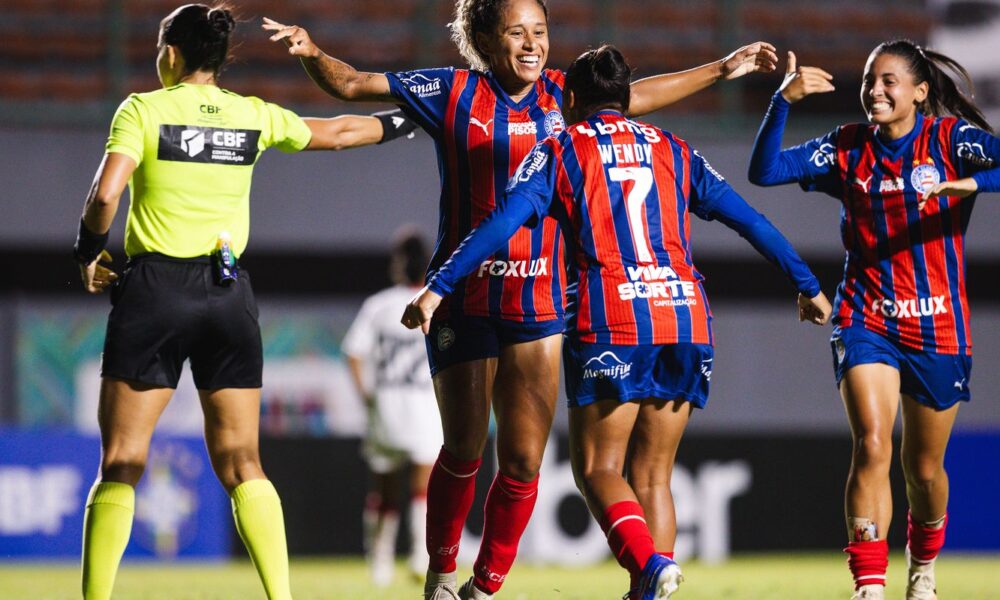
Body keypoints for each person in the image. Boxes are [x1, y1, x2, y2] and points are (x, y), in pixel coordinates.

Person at [264, 3, 779, 598]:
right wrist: (311, 54)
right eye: (517, 32)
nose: (533, 44)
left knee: (524, 461)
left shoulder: (568, 95)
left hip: (538, 301)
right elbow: (353, 85)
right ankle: (441, 574)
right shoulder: (451, 90)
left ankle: (485, 587)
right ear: (484, 38)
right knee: (461, 447)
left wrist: (722, 68)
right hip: (464, 295)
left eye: (541, 31)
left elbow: (638, 96)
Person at [403, 44, 832, 600]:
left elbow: (500, 223)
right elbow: (750, 220)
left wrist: (439, 286)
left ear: (571, 98)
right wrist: (808, 285)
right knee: (653, 474)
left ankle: (650, 567)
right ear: (628, 98)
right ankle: (648, 586)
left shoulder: (560, 147)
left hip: (614, 318)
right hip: (685, 318)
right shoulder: (674, 148)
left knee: (598, 469)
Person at [72, 5, 416, 600]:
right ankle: (280, 597)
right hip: (228, 296)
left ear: (172, 54)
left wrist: (87, 251)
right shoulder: (251, 116)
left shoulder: (144, 109)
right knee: (242, 462)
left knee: (123, 460)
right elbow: (337, 133)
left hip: (155, 291)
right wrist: (414, 118)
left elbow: (106, 194)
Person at [747, 40, 1000, 600]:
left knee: (924, 472)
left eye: (888, 81)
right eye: (868, 80)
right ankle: (868, 586)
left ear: (920, 92)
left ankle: (923, 568)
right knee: (872, 443)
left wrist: (972, 183)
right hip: (866, 319)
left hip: (938, 327)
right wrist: (781, 102)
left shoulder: (951, 141)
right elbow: (764, 171)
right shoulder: (847, 147)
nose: (875, 91)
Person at [342, 227, 444, 587]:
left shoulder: (379, 305)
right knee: (423, 487)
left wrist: (366, 394)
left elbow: (353, 351)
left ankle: (380, 561)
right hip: (425, 405)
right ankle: (420, 555)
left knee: (384, 490)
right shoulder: (435, 301)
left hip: (385, 404)